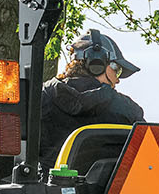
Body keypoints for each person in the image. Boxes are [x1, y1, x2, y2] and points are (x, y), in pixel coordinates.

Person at [39, 29, 145, 165]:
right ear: (97, 64)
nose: (117, 80)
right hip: (112, 186)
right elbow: (149, 158)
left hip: (49, 184)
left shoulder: (40, 98)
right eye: (117, 71)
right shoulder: (128, 109)